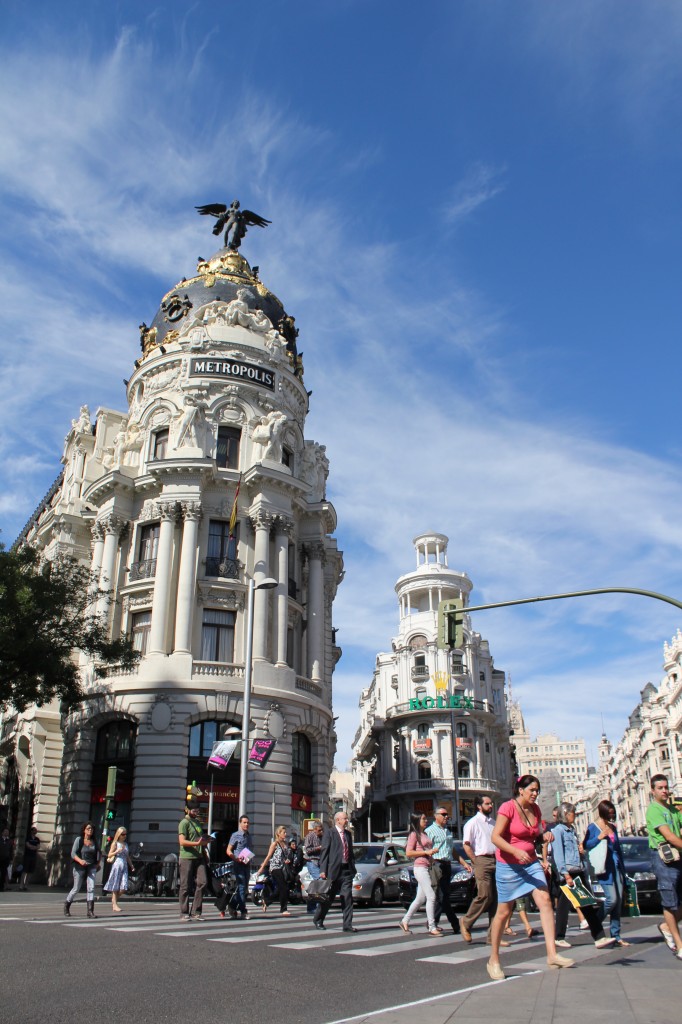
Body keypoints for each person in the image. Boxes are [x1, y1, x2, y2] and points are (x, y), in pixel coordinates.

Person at [487, 775, 574, 980]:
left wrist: (544, 836)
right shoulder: (507, 808)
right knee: (503, 912)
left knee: (544, 900)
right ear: (521, 790)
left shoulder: (535, 810)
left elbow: (536, 834)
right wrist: (515, 852)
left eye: (537, 790)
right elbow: (496, 837)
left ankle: (552, 954)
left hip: (531, 862)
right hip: (508, 865)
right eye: (532, 790)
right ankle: (494, 959)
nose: (535, 794)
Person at [551, 802, 613, 949]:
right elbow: (558, 854)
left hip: (578, 870)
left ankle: (599, 937)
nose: (575, 815)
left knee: (586, 905)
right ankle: (559, 937)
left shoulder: (571, 830)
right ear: (565, 814)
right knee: (563, 907)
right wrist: (565, 875)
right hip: (569, 873)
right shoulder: (558, 831)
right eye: (572, 812)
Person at [645, 773, 682, 958]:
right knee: (670, 903)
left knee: (679, 902)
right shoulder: (654, 810)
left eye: (666, 787)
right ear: (653, 791)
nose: (665, 790)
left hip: (679, 859)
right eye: (660, 788)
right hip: (664, 859)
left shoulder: (673, 809)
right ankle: (679, 943)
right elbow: (669, 836)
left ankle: (667, 927)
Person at [584, 799, 629, 946]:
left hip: (616, 866)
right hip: (604, 867)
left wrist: (623, 869)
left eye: (613, 813)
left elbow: (618, 849)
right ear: (603, 812)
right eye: (609, 813)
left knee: (618, 903)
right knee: (612, 899)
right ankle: (595, 922)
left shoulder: (613, 827)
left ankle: (615, 935)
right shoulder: (593, 827)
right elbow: (586, 845)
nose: (612, 815)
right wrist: (599, 837)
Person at [425, 806, 471, 934]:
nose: (446, 817)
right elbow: (425, 849)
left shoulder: (447, 831)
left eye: (447, 815)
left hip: (447, 864)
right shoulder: (430, 831)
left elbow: (452, 851)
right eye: (443, 814)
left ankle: (433, 922)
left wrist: (464, 863)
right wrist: (430, 863)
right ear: (436, 816)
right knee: (442, 895)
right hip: (437, 864)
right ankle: (454, 924)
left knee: (443, 895)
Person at [461, 796, 499, 944]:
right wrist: (476, 861)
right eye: (487, 804)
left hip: (496, 860)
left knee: (496, 900)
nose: (490, 806)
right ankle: (466, 921)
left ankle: (493, 936)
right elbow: (466, 844)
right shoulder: (472, 823)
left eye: (491, 803)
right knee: (484, 895)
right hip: (482, 860)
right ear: (478, 806)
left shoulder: (493, 823)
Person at [399, 813, 442, 936]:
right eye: (423, 819)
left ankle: (405, 921)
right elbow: (408, 852)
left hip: (427, 866)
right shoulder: (414, 834)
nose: (426, 820)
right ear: (417, 820)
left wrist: (431, 853)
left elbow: (425, 851)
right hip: (420, 868)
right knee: (431, 896)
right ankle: (432, 926)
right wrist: (425, 851)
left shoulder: (425, 834)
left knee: (420, 899)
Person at [313, 810, 356, 932]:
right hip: (333, 871)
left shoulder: (348, 834)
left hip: (346, 870)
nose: (347, 821)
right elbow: (324, 851)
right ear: (338, 820)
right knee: (328, 898)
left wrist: (353, 868)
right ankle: (318, 919)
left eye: (347, 819)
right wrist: (323, 870)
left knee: (347, 897)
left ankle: (347, 925)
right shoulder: (329, 833)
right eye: (345, 819)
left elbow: (351, 852)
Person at [178, 798, 210, 922]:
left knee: (203, 882)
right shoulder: (184, 823)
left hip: (199, 856)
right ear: (187, 809)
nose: (196, 812)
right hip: (187, 857)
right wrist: (197, 843)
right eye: (194, 810)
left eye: (197, 810)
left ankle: (196, 911)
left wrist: (205, 842)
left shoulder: (197, 822)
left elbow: (199, 840)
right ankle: (184, 912)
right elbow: (182, 841)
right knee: (185, 885)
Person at [65, 822, 101, 917]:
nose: (90, 830)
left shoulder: (95, 841)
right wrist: (80, 861)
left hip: (91, 866)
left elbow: (99, 853)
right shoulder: (79, 840)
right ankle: (67, 905)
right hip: (79, 867)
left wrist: (97, 864)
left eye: (92, 829)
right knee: (76, 888)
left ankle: (90, 911)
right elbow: (73, 854)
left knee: (91, 888)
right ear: (84, 830)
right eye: (88, 828)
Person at [257, 825, 294, 916]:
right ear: (278, 833)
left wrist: (288, 860)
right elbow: (269, 856)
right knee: (284, 887)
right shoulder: (275, 844)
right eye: (283, 832)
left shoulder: (285, 844)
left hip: (283, 867)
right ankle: (283, 909)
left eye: (285, 832)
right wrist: (262, 868)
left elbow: (288, 855)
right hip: (275, 868)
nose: (285, 834)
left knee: (281, 888)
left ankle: (266, 901)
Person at [225, 814, 254, 920]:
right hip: (238, 864)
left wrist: (250, 858)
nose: (246, 824)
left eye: (247, 822)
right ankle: (243, 911)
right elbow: (228, 850)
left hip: (247, 864)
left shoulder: (249, 836)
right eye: (244, 822)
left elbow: (250, 850)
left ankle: (232, 906)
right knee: (241, 887)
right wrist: (236, 858)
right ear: (240, 823)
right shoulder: (235, 835)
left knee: (244, 889)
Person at [104, 826, 134, 913]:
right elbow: (109, 855)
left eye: (125, 834)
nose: (124, 836)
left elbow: (127, 856)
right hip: (117, 864)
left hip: (124, 865)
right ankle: (115, 904)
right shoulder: (115, 843)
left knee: (124, 887)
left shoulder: (126, 844)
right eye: (123, 834)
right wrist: (117, 851)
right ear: (119, 834)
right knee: (116, 885)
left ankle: (114, 900)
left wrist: (131, 865)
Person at [303, 820, 324, 915]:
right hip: (312, 861)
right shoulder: (310, 836)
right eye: (319, 830)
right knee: (319, 880)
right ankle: (313, 906)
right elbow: (307, 850)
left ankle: (313, 905)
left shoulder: (322, 837)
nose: (321, 832)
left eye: (322, 830)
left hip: (320, 861)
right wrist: (318, 848)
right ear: (315, 829)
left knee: (317, 884)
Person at [20, 827, 40, 891]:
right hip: (27, 856)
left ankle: (26, 885)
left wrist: (33, 847)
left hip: (33, 856)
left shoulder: (37, 839)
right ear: (31, 831)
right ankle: (21, 885)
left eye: (36, 830)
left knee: (30, 871)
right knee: (24, 871)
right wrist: (34, 847)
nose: (35, 831)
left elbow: (38, 847)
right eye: (34, 830)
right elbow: (27, 845)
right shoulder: (28, 838)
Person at [0, 827, 15, 891]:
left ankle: (1, 887)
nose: (6, 833)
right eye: (5, 831)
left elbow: (11, 851)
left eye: (7, 832)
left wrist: (11, 859)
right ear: (2, 832)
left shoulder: (9, 841)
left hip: (6, 859)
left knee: (3, 873)